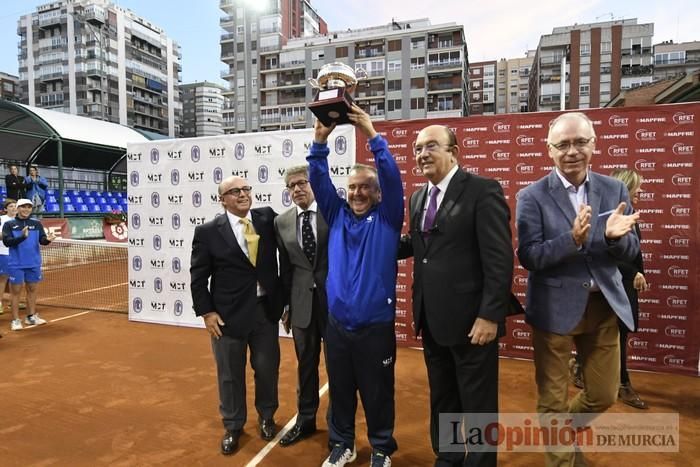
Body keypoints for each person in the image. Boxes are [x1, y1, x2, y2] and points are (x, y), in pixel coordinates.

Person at [516, 112, 640, 466]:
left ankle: (559, 435)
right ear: (550, 150)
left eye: (580, 142)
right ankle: (562, 459)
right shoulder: (532, 196)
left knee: (603, 394)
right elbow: (529, 255)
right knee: (552, 400)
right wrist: (571, 240)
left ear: (594, 145)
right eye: (563, 144)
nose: (572, 151)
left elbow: (631, 252)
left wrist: (615, 240)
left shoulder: (614, 190)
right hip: (554, 309)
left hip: (603, 307)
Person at [397, 125, 514, 467]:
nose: (422, 154)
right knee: (443, 395)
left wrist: (490, 315)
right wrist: (367, 241)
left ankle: (479, 462)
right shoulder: (418, 197)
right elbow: (419, 247)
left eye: (431, 145)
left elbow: (499, 258)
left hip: (473, 322)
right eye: (417, 148)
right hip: (432, 319)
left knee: (477, 403)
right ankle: (448, 456)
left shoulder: (482, 190)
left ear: (454, 151)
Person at [307, 104, 403, 467]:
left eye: (365, 188)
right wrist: (320, 140)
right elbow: (318, 179)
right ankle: (342, 443)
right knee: (341, 391)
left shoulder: (388, 217)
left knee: (378, 393)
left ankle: (380, 448)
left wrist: (371, 133)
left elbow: (392, 178)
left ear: (377, 194)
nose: (358, 193)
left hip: (375, 327)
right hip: (338, 327)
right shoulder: (336, 214)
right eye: (352, 188)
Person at [189, 176, 283, 455]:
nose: (242, 194)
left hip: (265, 312)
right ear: (223, 199)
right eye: (234, 191)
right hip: (227, 317)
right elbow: (198, 277)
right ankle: (233, 425)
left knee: (267, 369)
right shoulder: (207, 232)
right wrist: (206, 312)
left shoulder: (266, 218)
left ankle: (267, 416)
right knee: (229, 375)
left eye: (245, 189)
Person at [569, 169, 650, 409]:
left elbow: (633, 251)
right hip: (615, 284)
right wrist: (632, 272)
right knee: (618, 335)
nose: (641, 190)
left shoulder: (631, 213)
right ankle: (623, 383)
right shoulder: (605, 213)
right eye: (638, 186)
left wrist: (640, 272)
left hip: (628, 284)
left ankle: (580, 366)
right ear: (625, 188)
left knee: (623, 332)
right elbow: (602, 252)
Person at [273, 165, 330, 447]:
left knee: (338, 370)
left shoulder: (332, 212)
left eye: (302, 183)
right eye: (291, 185)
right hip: (301, 305)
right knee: (306, 367)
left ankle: (338, 429)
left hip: (334, 305)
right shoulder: (281, 223)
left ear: (313, 185)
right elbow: (286, 269)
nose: (297, 189)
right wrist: (286, 306)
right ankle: (305, 421)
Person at [2, 198, 56, 331]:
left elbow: (42, 240)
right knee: (16, 293)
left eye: (29, 207)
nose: (26, 209)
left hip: (33, 263)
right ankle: (15, 320)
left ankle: (30, 316)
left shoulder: (37, 224)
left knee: (32, 290)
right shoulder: (9, 224)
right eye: (23, 207)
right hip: (16, 264)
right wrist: (22, 237)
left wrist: (47, 240)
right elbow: (7, 242)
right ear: (18, 209)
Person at [0, 198, 18, 315]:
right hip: (4, 252)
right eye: (11, 206)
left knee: (16, 279)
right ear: (5, 209)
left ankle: (14, 300)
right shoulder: (2, 220)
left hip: (17, 254)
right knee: (3, 279)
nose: (13, 208)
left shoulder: (20, 220)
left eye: (15, 206)